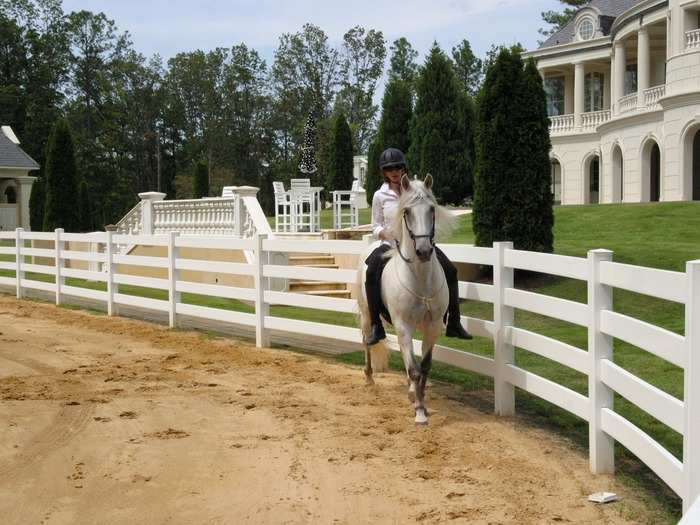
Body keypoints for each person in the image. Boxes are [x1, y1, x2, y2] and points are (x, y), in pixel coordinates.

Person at [364, 147, 472, 345]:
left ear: (403, 167)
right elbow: (375, 225)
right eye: (389, 169)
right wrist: (383, 233)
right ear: (384, 172)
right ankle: (376, 326)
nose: (394, 171)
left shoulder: (417, 190)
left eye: (397, 167)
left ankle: (454, 321)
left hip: (419, 243)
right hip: (390, 245)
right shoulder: (380, 196)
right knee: (371, 271)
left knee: (450, 270)